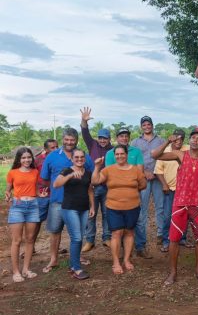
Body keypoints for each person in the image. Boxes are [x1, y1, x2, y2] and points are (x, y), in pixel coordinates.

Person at [151, 127, 198, 284]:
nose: (195, 140)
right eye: (193, 138)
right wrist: (167, 141)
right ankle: (173, 273)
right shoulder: (180, 154)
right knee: (174, 238)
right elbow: (155, 155)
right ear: (189, 140)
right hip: (180, 202)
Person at [40, 128, 94, 274]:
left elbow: (91, 176)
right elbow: (45, 178)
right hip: (57, 201)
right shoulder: (52, 156)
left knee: (77, 233)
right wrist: (55, 189)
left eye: (72, 140)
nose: (69, 142)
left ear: (76, 140)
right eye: (67, 139)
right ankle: (53, 259)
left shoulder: (83, 156)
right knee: (55, 231)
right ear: (62, 140)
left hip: (78, 202)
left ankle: (77, 257)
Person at [92, 146, 147, 275]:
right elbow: (95, 181)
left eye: (122, 154)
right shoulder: (108, 169)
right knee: (116, 233)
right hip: (113, 207)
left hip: (132, 207)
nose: (119, 156)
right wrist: (97, 167)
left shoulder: (135, 170)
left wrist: (129, 192)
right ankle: (116, 262)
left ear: (126, 155)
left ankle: (126, 260)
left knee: (129, 233)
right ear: (114, 155)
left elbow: (143, 184)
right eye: (117, 154)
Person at [53, 149, 94, 280]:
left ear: (85, 159)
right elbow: (56, 184)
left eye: (82, 157)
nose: (79, 159)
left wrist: (92, 206)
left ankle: (73, 265)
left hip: (84, 208)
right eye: (76, 157)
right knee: (76, 238)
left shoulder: (88, 173)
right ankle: (76, 268)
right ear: (72, 159)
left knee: (79, 237)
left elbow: (90, 190)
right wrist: (70, 176)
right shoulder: (66, 171)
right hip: (70, 208)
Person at [131, 116, 166, 259]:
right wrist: (144, 172)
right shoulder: (135, 142)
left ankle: (161, 234)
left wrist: (156, 172)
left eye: (148, 124)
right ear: (141, 127)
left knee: (160, 207)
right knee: (142, 209)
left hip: (158, 177)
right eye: (144, 125)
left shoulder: (161, 141)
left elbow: (164, 157)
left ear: (152, 125)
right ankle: (141, 239)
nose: (147, 126)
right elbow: (133, 160)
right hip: (143, 178)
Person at [5, 148, 42, 282]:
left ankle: (26, 269)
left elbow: (36, 190)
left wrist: (40, 194)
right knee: (17, 240)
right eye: (24, 158)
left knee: (30, 239)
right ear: (19, 159)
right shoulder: (12, 173)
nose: (27, 160)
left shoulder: (35, 172)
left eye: (29, 157)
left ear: (32, 158)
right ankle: (16, 272)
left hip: (33, 206)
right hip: (18, 207)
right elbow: (8, 190)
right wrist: (8, 196)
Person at [80, 107, 113, 252]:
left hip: (107, 186)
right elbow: (85, 132)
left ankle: (107, 238)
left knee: (107, 213)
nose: (102, 140)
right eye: (100, 138)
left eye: (105, 138)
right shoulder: (92, 144)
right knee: (91, 214)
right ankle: (89, 240)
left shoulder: (113, 150)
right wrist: (84, 121)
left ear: (109, 139)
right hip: (92, 186)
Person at [153, 129, 190, 252]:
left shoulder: (188, 149)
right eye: (176, 139)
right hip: (170, 189)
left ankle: (182, 238)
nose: (179, 141)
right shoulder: (165, 151)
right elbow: (158, 171)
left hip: (185, 189)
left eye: (181, 138)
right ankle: (166, 240)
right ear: (172, 139)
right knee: (168, 215)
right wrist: (164, 185)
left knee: (184, 215)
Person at [33, 138, 58, 248]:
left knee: (55, 223)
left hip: (55, 195)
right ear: (46, 149)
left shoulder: (60, 158)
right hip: (42, 195)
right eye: (52, 147)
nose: (56, 149)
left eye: (57, 147)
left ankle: (55, 248)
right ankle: (31, 246)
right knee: (36, 222)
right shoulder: (38, 160)